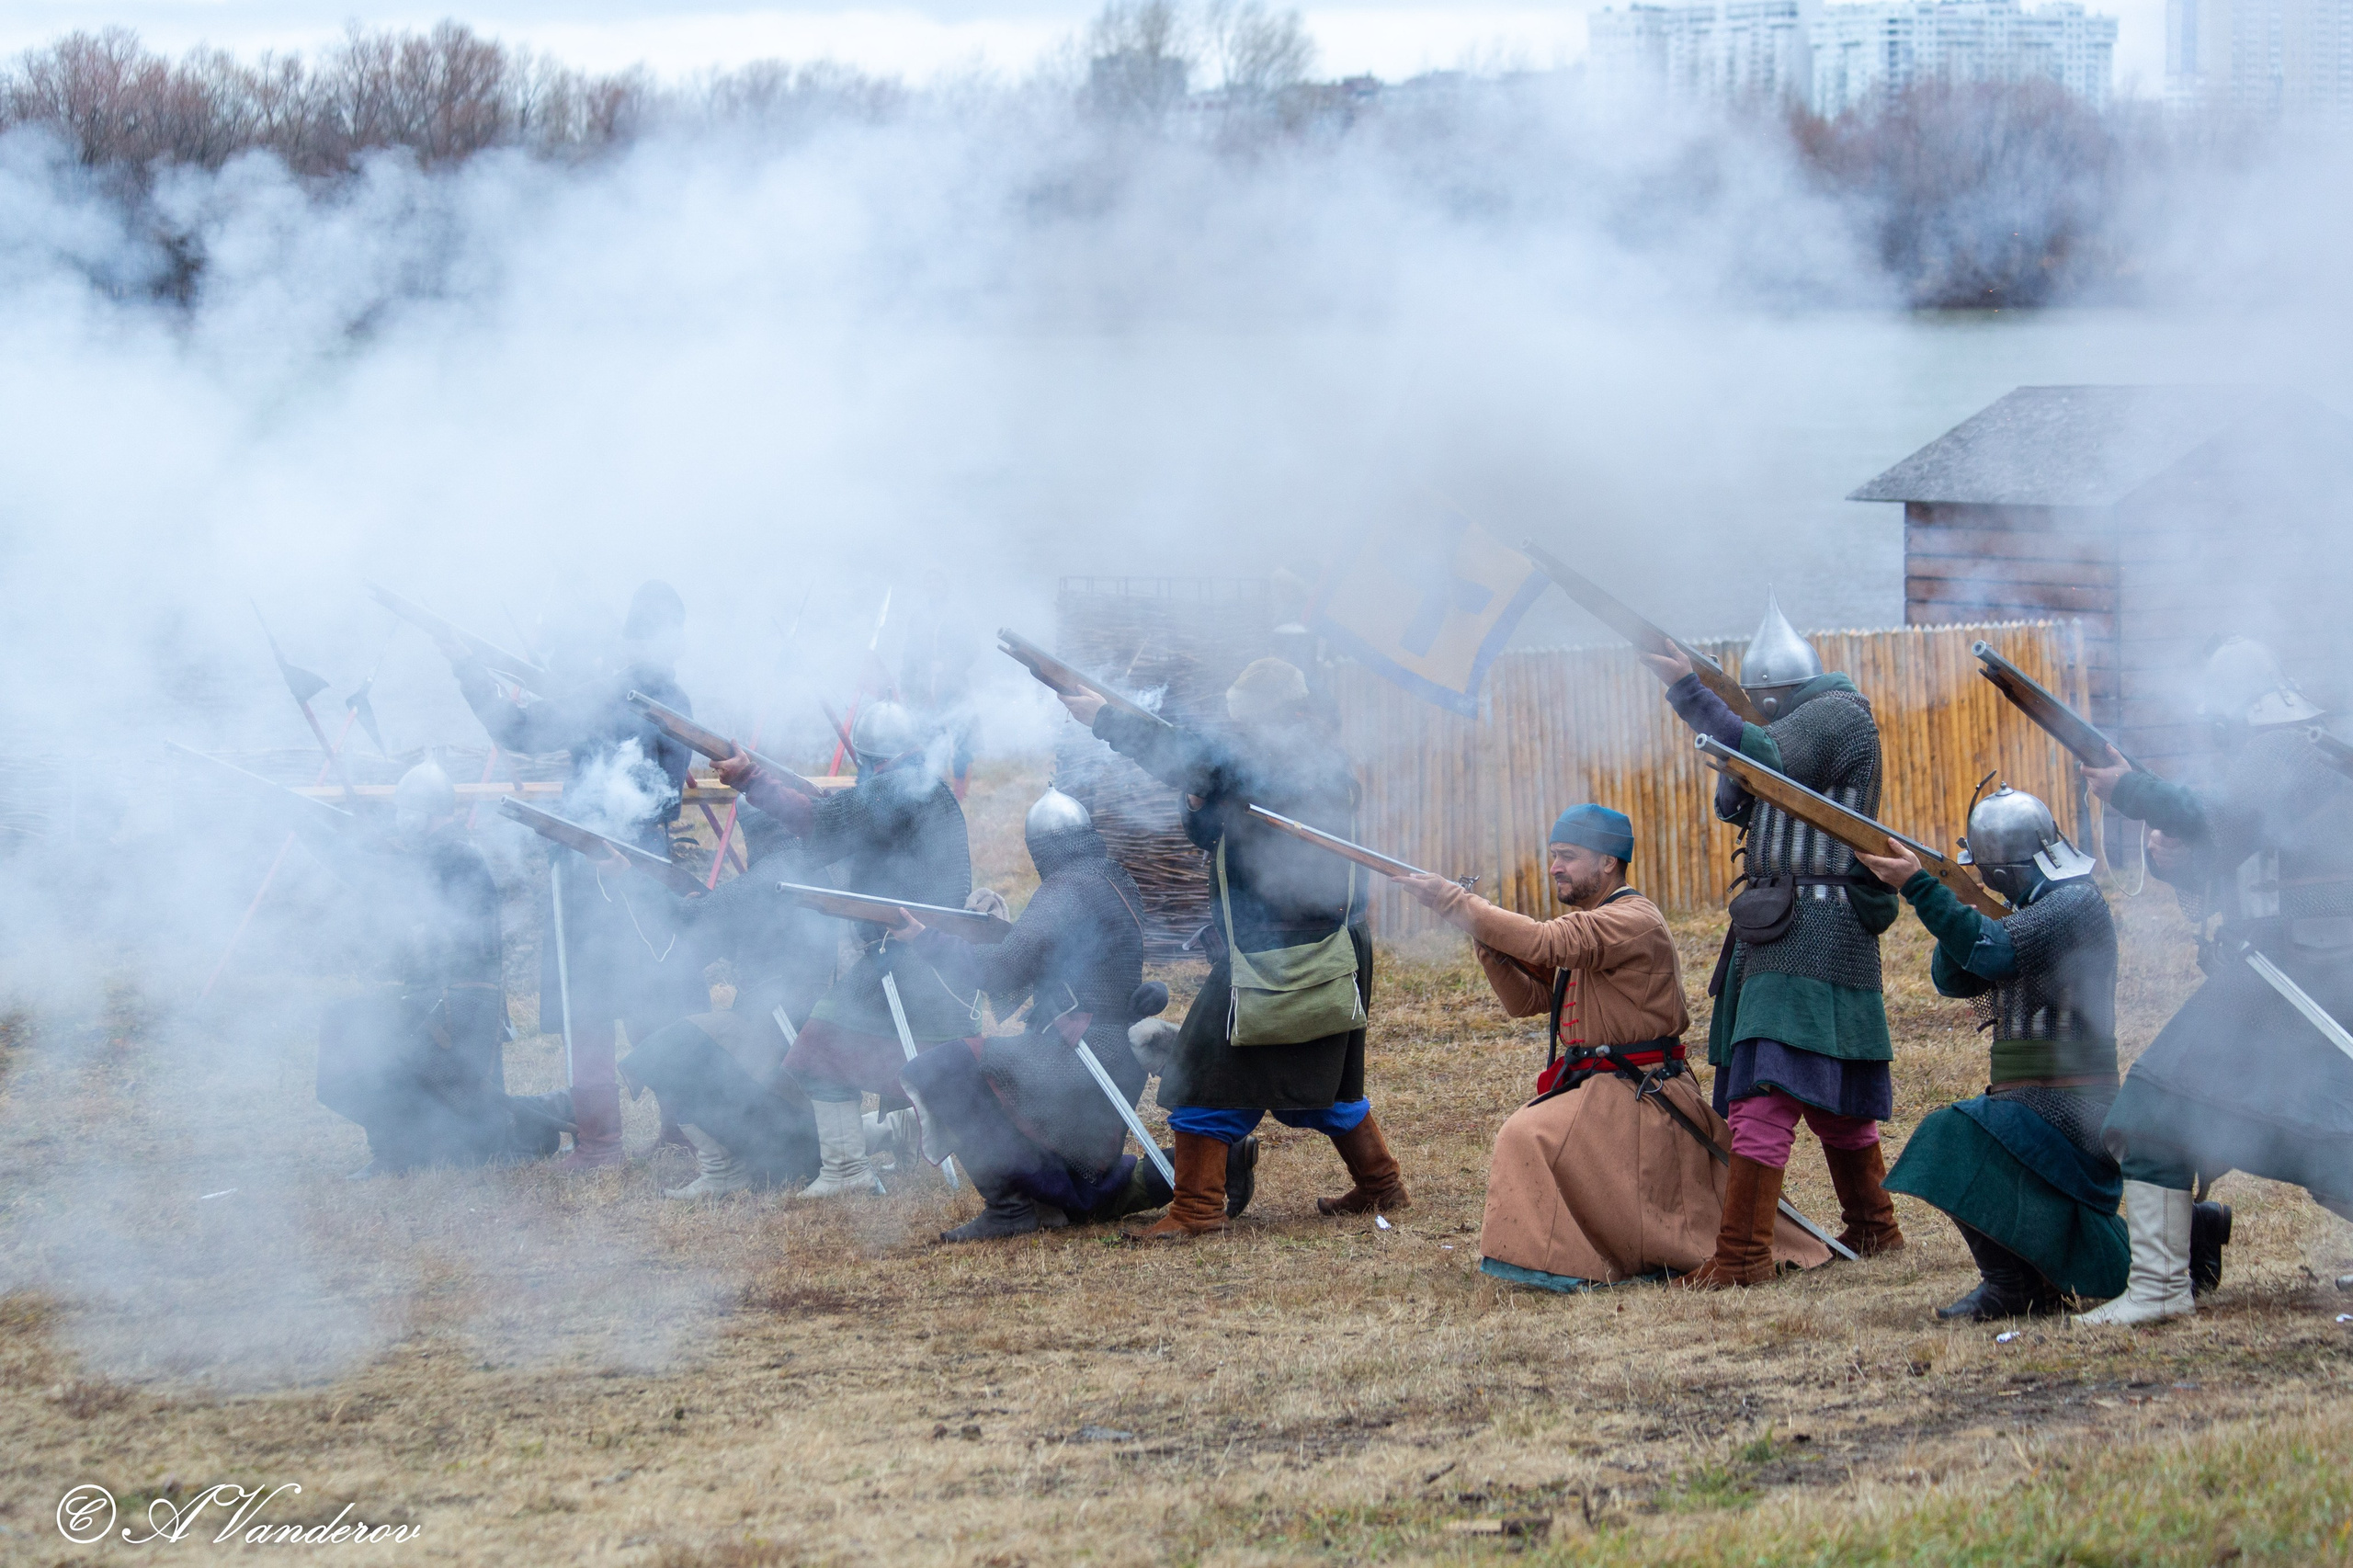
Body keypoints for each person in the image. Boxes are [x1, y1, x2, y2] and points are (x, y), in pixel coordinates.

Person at [1400, 804, 1831, 1290]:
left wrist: (1455, 902)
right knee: (1535, 1133)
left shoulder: (1632, 918)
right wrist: (1489, 947)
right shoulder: (1595, 921)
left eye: (1568, 856)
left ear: (1608, 862)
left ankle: (1572, 1262)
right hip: (1607, 1091)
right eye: (1554, 855)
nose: (1555, 867)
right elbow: (1528, 1002)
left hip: (1644, 1094)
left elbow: (1543, 942)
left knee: (1526, 1134)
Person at [1057, 656, 1393, 1240]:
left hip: (1286, 951)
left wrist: (1104, 719)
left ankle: (1197, 1209)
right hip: (1301, 946)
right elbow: (1218, 829)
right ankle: (1380, 1184)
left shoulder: (1291, 760)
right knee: (1321, 1082)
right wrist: (1195, 803)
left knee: (1201, 1078)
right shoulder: (1282, 761)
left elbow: (1198, 760)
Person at [2075, 637, 2347, 1324]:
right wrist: (2177, 857)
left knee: (2153, 1111)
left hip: (2299, 975)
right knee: (2310, 1129)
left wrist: (2132, 790)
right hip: (2283, 971)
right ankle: (2160, 1285)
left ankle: (2159, 1289)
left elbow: (2221, 817)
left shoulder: (2290, 747)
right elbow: (2234, 853)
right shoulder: (2292, 748)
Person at [1643, 592, 1904, 1284]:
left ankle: (1742, 1256)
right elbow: (1742, 795)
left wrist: (1688, 691)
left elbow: (1762, 752)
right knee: (1818, 1089)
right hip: (1788, 926)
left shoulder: (1836, 714)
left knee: (1767, 1090)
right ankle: (1874, 1227)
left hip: (1816, 923)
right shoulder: (1797, 722)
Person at [890, 789, 1260, 1240]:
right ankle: (1223, 1159)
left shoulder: (1065, 888)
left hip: (1077, 1055)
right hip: (1111, 1051)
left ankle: (1008, 1209)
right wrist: (987, 930)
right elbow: (1053, 953)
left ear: (1040, 848)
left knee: (945, 1066)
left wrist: (925, 939)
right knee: (1087, 1194)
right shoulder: (1112, 876)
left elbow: (1003, 971)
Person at [438, 581, 704, 1169]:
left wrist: (627, 845)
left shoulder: (662, 699)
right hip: (591, 870)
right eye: (668, 631)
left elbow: (664, 795)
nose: (678, 643)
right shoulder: (604, 695)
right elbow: (518, 732)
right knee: (590, 1009)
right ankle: (602, 1142)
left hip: (638, 869)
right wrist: (464, 666)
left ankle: (677, 1133)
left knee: (653, 1003)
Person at [1856, 787, 2146, 1320]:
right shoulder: (2020, 910)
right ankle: (2035, 1281)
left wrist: (1922, 888)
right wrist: (1958, 905)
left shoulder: (2075, 904)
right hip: (2030, 1101)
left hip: (2073, 1103)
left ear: (2003, 868)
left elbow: (1992, 954)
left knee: (1948, 1136)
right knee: (1975, 1147)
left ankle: (2011, 1287)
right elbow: (1955, 978)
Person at [717, 699, 977, 1198]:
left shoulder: (896, 787)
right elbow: (846, 822)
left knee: (816, 1049)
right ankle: (898, 1135)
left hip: (903, 958)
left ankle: (846, 1171)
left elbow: (823, 825)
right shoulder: (926, 787)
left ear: (872, 759)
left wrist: (751, 780)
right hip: (934, 953)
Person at [314, 761, 574, 1176]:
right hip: (434, 995)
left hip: (460, 1000)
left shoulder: (455, 856)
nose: (401, 818)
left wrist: (310, 832)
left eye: (407, 810)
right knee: (354, 1026)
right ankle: (402, 1146)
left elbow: (375, 878)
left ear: (428, 813)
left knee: (363, 1031)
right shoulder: (434, 855)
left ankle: (401, 1150)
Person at [618, 806, 836, 1198]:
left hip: (773, 1025)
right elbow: (720, 933)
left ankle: (724, 1170)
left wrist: (627, 875)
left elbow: (688, 920)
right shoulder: (814, 867)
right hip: (797, 1020)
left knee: (666, 1052)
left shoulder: (767, 875)